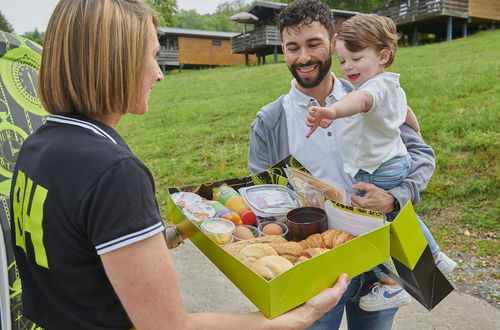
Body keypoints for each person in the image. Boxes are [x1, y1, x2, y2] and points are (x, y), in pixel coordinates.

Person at [9, 0, 348, 329]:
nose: (159, 74)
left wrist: (168, 236)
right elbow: (168, 325)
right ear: (115, 61)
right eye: (153, 56)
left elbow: (78, 250)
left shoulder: (37, 146)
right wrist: (299, 317)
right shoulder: (114, 172)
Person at [247, 0, 435, 329]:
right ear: (283, 49)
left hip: (384, 252)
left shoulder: (371, 90)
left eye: (313, 44)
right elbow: (264, 195)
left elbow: (421, 155)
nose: (303, 57)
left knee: (408, 298)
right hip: (318, 264)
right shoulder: (269, 120)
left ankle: (432, 265)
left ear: (332, 42)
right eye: (293, 47)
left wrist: (395, 196)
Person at [304, 14, 457, 312]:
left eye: (356, 58)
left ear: (383, 55)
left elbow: (360, 101)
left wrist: (332, 112)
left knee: (373, 224)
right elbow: (406, 110)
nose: (347, 67)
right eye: (343, 60)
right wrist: (415, 128)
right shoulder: (390, 85)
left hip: (378, 171)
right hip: (390, 164)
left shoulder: (370, 89)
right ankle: (433, 258)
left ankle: (396, 283)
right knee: (393, 221)